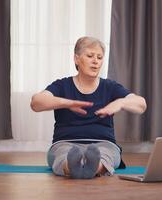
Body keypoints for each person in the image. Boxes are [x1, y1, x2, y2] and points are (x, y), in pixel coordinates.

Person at [30, 36, 147, 179]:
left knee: (105, 154)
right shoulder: (62, 85)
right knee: (63, 155)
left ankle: (93, 166)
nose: (96, 61)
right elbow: (36, 102)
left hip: (103, 143)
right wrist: (66, 103)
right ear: (76, 59)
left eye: (99, 57)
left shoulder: (110, 87)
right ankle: (72, 166)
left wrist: (120, 103)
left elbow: (141, 104)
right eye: (90, 56)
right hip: (66, 143)